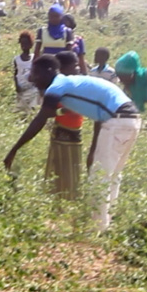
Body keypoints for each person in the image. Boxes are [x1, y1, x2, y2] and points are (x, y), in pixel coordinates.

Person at [4, 55, 142, 231]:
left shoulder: (58, 85)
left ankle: (96, 229)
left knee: (100, 177)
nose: (32, 77)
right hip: (130, 120)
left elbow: (40, 119)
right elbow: (93, 113)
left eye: (35, 73)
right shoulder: (70, 83)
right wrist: (93, 150)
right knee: (112, 175)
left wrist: (13, 150)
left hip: (118, 121)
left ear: (49, 72)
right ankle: (106, 224)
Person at [45, 51, 86, 200]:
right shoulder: (60, 85)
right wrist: (63, 110)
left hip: (74, 133)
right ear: (63, 68)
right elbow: (50, 109)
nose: (77, 68)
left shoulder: (77, 84)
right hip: (62, 132)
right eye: (74, 65)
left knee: (73, 170)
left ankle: (70, 203)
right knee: (59, 170)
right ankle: (57, 204)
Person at [13, 31, 38, 112]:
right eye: (22, 43)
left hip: (32, 88)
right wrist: (17, 86)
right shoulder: (17, 59)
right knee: (21, 108)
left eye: (26, 43)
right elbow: (15, 73)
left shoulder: (34, 58)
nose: (24, 46)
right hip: (21, 88)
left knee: (32, 108)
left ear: (31, 44)